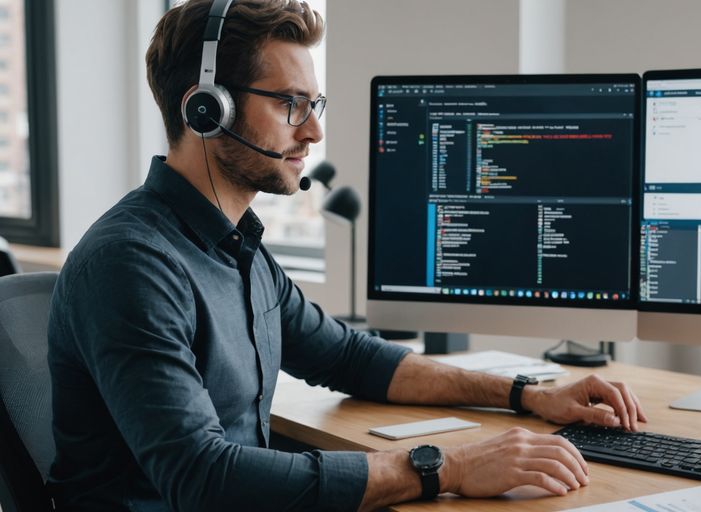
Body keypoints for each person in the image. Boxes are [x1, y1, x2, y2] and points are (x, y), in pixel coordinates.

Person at [47, 1, 647, 510]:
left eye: (315, 105)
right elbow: (201, 478)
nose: (312, 133)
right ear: (206, 108)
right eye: (289, 104)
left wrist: (526, 393)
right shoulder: (132, 263)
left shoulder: (239, 247)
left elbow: (353, 359)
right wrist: (446, 466)